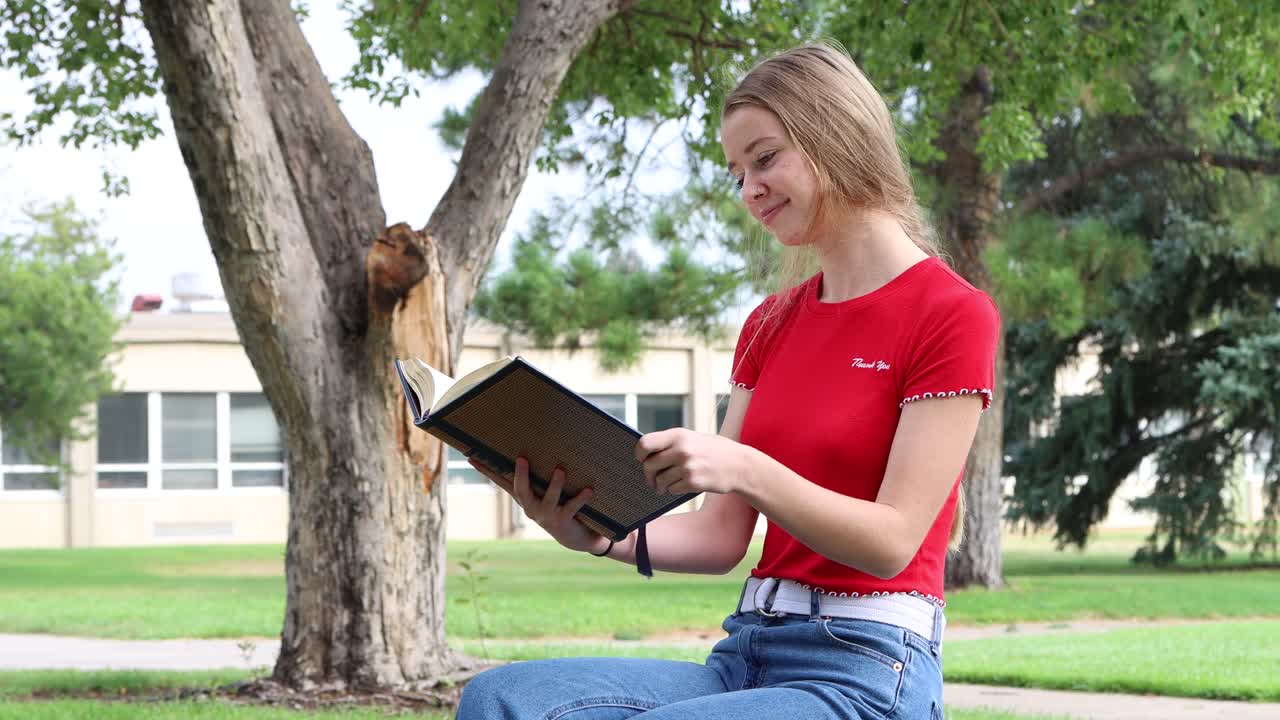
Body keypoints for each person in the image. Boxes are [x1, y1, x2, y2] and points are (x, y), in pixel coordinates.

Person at [455, 41, 1000, 720]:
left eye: (765, 158)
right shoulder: (769, 325)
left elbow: (893, 543)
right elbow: (720, 538)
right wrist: (598, 535)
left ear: (837, 133)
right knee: (502, 700)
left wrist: (742, 466)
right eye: (737, 172)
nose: (749, 190)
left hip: (869, 668)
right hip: (748, 655)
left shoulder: (952, 315)